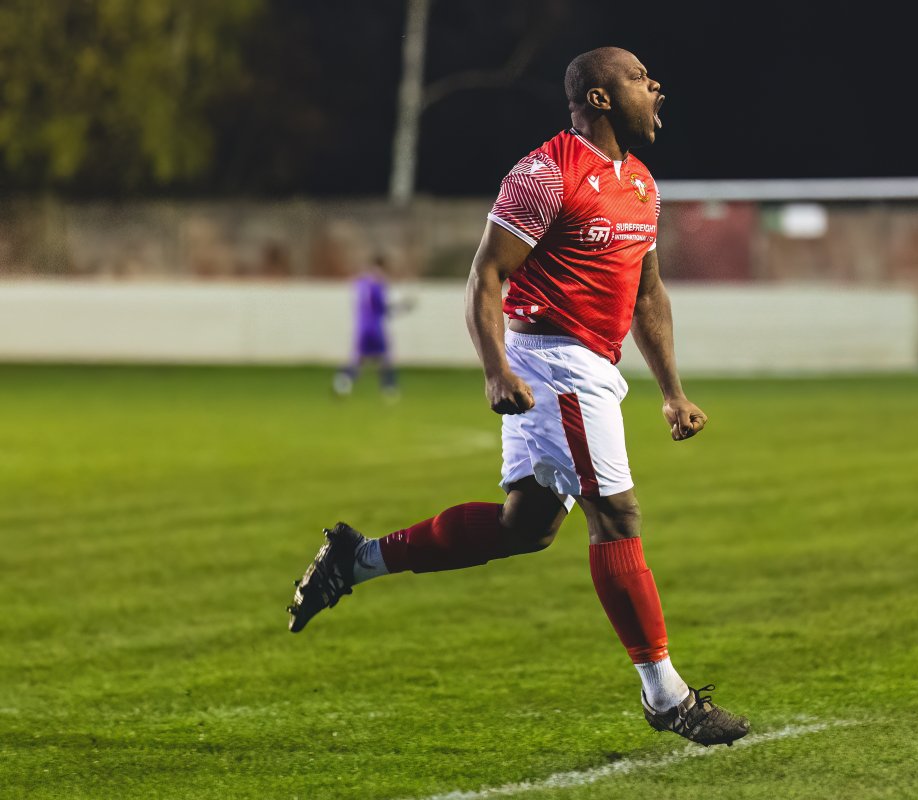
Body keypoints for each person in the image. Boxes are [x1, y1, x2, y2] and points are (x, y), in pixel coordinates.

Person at [289, 47, 749, 747]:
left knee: (525, 528)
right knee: (618, 517)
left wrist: (671, 390)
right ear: (599, 98)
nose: (656, 86)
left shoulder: (643, 186)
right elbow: (485, 275)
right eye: (638, 77)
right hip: (554, 362)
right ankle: (667, 696)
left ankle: (358, 558)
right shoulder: (546, 173)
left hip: (591, 364)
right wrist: (496, 368)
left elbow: (648, 293)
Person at [332, 256, 414, 399]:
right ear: (382, 267)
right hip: (376, 328)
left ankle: (342, 383)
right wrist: (403, 307)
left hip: (361, 328)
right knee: (385, 360)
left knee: (359, 360)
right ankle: (389, 390)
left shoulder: (361, 283)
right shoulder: (379, 284)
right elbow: (383, 309)